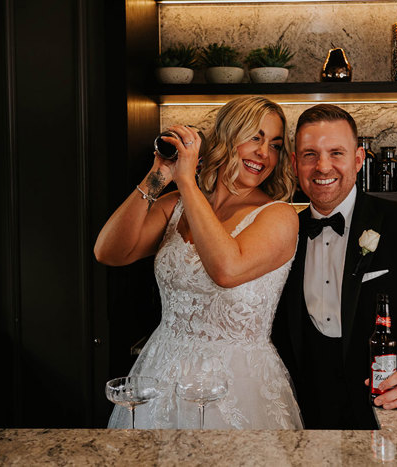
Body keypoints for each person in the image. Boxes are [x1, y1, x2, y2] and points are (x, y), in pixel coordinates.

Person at [95, 96, 302, 429]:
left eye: (275, 145)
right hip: (162, 370)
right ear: (225, 139)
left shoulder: (279, 216)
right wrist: (159, 175)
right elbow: (110, 252)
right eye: (255, 137)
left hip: (236, 385)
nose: (265, 153)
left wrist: (188, 180)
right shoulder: (175, 204)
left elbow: (226, 269)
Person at [272, 104, 397, 430]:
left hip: (387, 413)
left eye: (336, 153)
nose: (322, 166)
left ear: (359, 159)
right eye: (309, 154)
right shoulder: (280, 232)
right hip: (301, 417)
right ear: (294, 164)